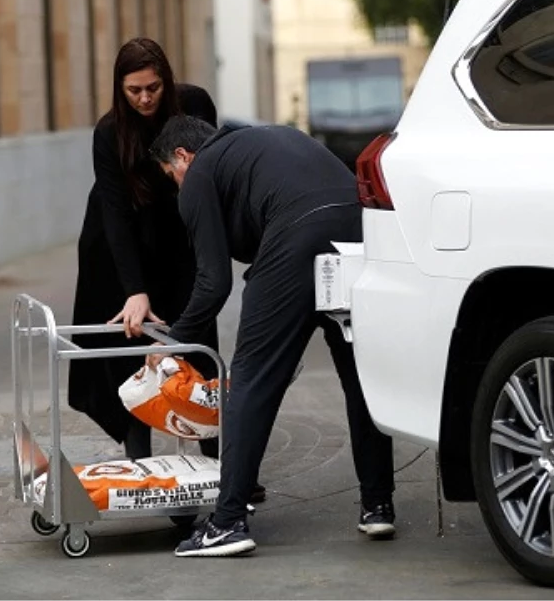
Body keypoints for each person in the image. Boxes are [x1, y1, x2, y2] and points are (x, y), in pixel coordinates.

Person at [148, 116, 397, 558]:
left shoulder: (201, 172)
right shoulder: (267, 137)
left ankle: (226, 523)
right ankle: (378, 505)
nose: (178, 188)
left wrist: (173, 341)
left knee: (250, 380)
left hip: (295, 234)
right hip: (357, 230)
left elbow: (213, 282)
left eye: (172, 176)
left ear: (183, 157)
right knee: (360, 376)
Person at [67, 37, 221, 462]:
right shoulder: (109, 131)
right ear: (120, 88)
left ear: (165, 81)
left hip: (181, 233)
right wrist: (134, 288)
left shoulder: (194, 104)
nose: (144, 98)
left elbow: (207, 178)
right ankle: (140, 460)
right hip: (120, 242)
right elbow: (114, 214)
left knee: (198, 338)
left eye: (152, 87)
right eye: (133, 90)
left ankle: (225, 464)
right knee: (131, 342)